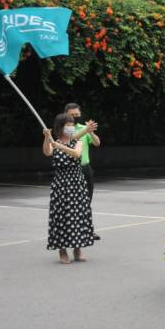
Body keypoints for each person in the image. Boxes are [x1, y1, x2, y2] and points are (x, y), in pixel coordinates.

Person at [43, 113, 95, 264]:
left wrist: (60, 146)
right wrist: (47, 137)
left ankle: (77, 249)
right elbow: (47, 152)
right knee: (62, 217)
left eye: (72, 125)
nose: (71, 128)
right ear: (60, 127)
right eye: (68, 125)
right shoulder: (55, 142)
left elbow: (77, 154)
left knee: (77, 216)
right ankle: (62, 250)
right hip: (60, 185)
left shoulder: (77, 142)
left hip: (76, 184)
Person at [66, 103, 101, 241]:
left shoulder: (83, 128)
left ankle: (88, 230)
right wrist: (86, 130)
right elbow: (71, 139)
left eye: (77, 114)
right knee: (72, 202)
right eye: (72, 115)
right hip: (72, 170)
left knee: (87, 201)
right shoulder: (65, 128)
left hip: (86, 168)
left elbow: (97, 143)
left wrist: (90, 131)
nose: (75, 117)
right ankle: (71, 230)